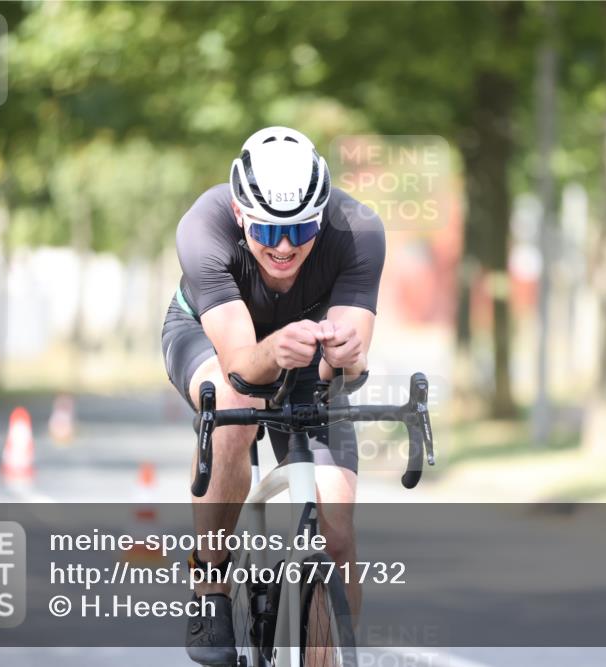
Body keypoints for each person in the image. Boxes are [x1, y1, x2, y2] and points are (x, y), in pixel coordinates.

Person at [162, 126, 385, 665]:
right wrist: (277, 349)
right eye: (267, 229)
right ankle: (210, 586)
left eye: (301, 229)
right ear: (240, 214)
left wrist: (344, 355)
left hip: (306, 350)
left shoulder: (358, 229)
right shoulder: (203, 225)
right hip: (211, 338)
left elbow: (345, 369)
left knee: (337, 524)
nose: (284, 247)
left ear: (323, 213)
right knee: (234, 412)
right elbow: (242, 367)